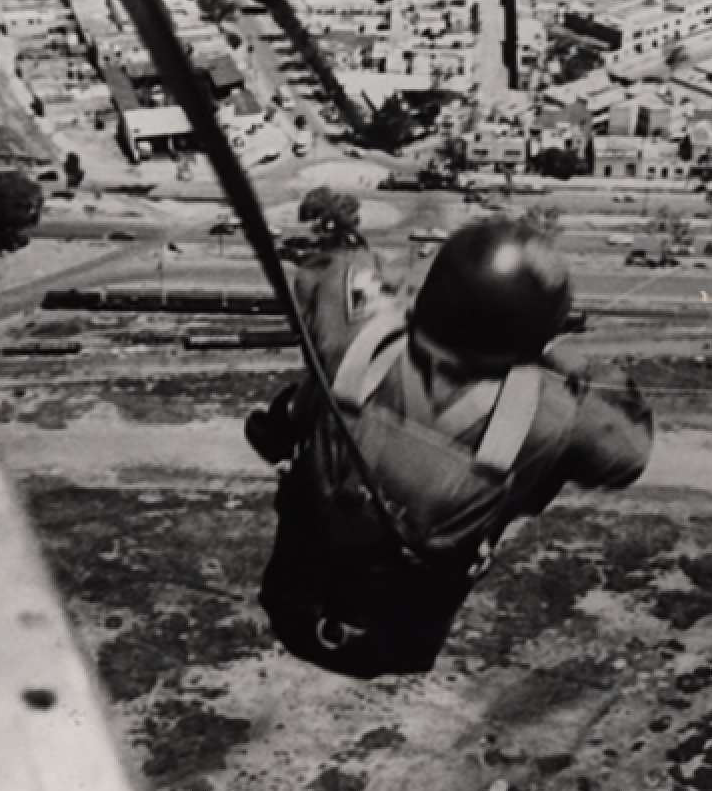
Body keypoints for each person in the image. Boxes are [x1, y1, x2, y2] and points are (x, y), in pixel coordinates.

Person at [246, 216, 655, 679]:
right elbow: (629, 452)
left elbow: (328, 271)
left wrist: (396, 291)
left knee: (310, 405)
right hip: (397, 645)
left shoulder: (356, 339)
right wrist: (563, 361)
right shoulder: (552, 414)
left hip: (293, 609)